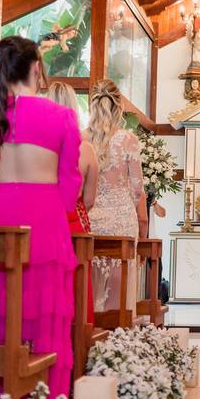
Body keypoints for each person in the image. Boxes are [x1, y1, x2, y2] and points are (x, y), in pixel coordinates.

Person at [0, 36, 81, 399]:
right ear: (37, 68)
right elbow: (69, 191)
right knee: (43, 325)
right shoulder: (61, 117)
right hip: (45, 227)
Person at [85, 79, 143, 315]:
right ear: (119, 106)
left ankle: (91, 326)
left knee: (90, 281)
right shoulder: (128, 139)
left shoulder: (81, 138)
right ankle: (118, 329)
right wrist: (122, 201)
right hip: (121, 220)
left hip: (91, 220)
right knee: (119, 284)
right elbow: (137, 188)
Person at [46, 81, 98, 323]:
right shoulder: (85, 149)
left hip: (44, 220)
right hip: (73, 222)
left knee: (47, 285)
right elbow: (89, 199)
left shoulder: (40, 145)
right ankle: (79, 335)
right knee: (77, 286)